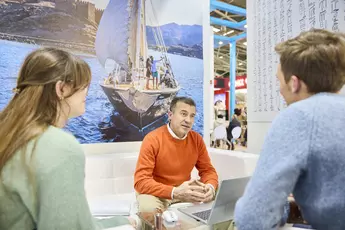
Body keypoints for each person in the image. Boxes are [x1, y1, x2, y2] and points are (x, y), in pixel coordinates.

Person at [0, 47, 136, 229]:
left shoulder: (10, 134)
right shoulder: (58, 147)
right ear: (61, 88)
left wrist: (121, 221)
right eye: (84, 84)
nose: (87, 91)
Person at [234, 29, 345, 229]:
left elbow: (253, 219)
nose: (279, 89)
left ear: (294, 83)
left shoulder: (299, 116)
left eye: (279, 80)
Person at [134, 97, 218, 212]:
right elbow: (141, 182)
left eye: (192, 116)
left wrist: (210, 187)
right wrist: (174, 192)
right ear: (170, 115)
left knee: (222, 193)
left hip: (185, 191)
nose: (188, 120)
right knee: (149, 210)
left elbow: (208, 171)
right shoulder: (152, 139)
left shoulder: (197, 139)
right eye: (183, 114)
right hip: (156, 193)